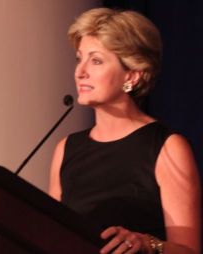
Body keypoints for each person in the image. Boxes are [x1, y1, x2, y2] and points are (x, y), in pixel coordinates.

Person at [48, 8, 201, 254]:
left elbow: (189, 251)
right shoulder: (66, 149)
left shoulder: (167, 147)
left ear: (132, 75)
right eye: (79, 58)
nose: (80, 71)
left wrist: (148, 244)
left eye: (96, 60)